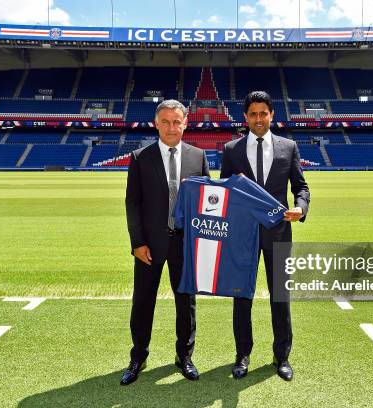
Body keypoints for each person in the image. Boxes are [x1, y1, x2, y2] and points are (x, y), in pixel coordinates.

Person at [220, 91, 310, 381]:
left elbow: (301, 186)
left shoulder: (289, 147)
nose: (259, 119)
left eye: (264, 113)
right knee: (241, 296)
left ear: (272, 115)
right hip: (242, 235)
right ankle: (242, 355)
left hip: (279, 233)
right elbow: (224, 192)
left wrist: (300, 207)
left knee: (280, 297)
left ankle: (281, 356)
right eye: (253, 114)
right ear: (245, 118)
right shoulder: (231, 149)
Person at [121, 99, 211, 385]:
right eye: (166, 122)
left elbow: (207, 201)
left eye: (177, 121)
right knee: (143, 302)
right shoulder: (140, 158)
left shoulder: (198, 156)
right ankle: (138, 356)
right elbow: (132, 203)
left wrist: (204, 241)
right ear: (156, 124)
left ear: (185, 123)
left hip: (185, 245)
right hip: (148, 246)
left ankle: (184, 356)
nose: (172, 127)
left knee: (186, 303)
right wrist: (137, 242)